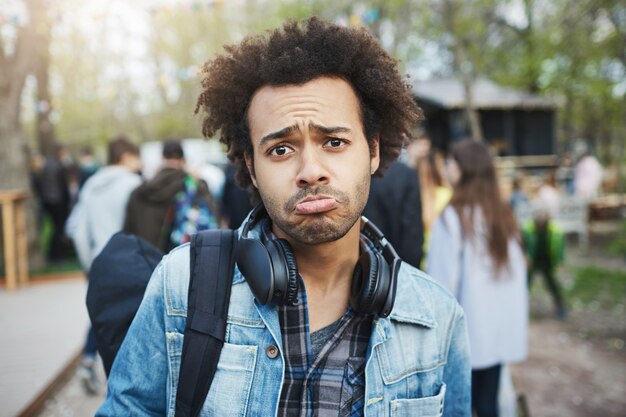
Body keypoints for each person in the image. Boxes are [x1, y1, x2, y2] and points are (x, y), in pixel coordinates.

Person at [98, 17, 470, 417]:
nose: (311, 170)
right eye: (280, 149)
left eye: (334, 142)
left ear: (373, 150)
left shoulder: (437, 317)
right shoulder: (180, 286)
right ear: (251, 167)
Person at [427, 139, 527, 417]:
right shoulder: (502, 215)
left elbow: (440, 285)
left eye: (450, 162)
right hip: (495, 332)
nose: (445, 168)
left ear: (464, 169)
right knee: (488, 404)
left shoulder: (453, 217)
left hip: (463, 337)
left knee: (458, 407)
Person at [67, 135, 142, 394]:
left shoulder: (89, 186)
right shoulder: (134, 184)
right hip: (130, 262)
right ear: (126, 157)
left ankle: (89, 361)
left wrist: (91, 263)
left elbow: (78, 230)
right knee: (133, 320)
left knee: (102, 316)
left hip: (99, 262)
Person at [123, 139, 219, 251]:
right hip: (183, 262)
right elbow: (213, 222)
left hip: (147, 261)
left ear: (162, 159)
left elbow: (127, 234)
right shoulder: (195, 187)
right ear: (183, 160)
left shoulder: (139, 192)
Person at [363, 159, 424, 268]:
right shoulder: (404, 173)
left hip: (362, 263)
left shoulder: (358, 171)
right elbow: (412, 238)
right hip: (398, 266)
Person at [522, 203, 566, 318]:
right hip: (532, 260)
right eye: (538, 217)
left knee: (552, 283)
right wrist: (525, 256)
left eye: (543, 217)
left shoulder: (554, 230)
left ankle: (560, 305)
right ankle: (519, 306)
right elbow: (522, 245)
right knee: (525, 284)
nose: (541, 219)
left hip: (546, 261)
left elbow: (560, 247)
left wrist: (560, 260)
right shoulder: (528, 229)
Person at [33, 144, 72, 262]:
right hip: (58, 202)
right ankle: (57, 256)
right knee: (58, 229)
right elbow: (63, 187)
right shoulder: (59, 166)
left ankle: (52, 254)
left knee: (53, 229)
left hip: (47, 202)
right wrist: (67, 202)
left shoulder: (45, 165)